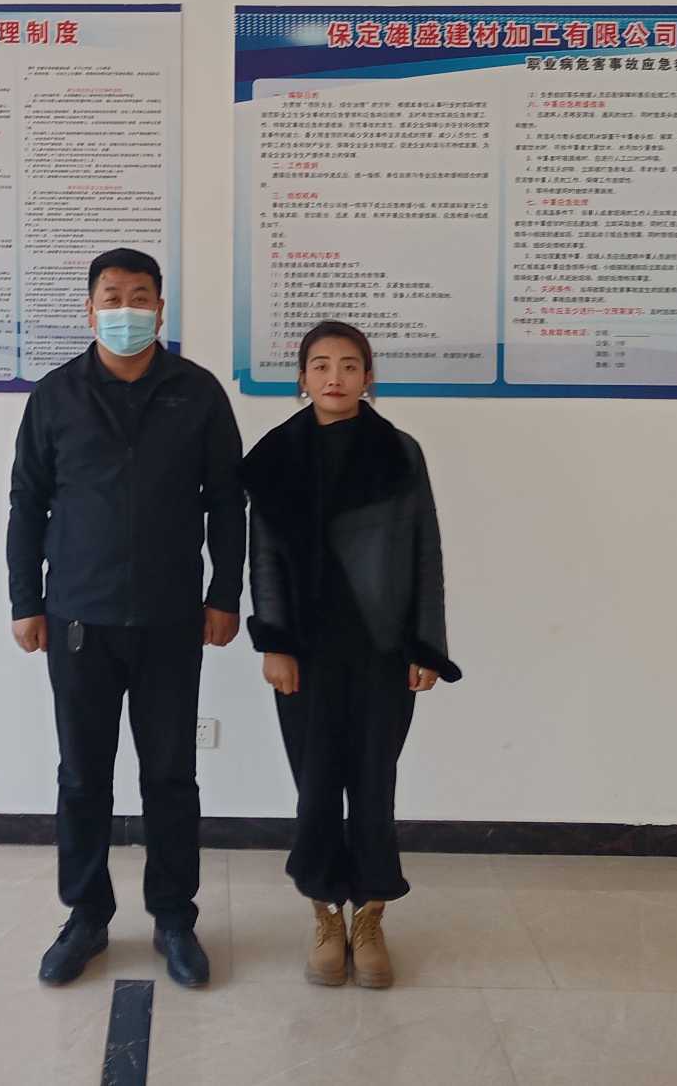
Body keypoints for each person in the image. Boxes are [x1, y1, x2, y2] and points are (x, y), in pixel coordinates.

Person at [6, 248, 245, 989]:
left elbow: (226, 502)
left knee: (170, 775)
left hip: (172, 617)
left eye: (140, 296)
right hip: (78, 617)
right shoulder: (55, 396)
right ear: (89, 310)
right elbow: (27, 504)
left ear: (161, 310)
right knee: (83, 776)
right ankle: (86, 916)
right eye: (112, 296)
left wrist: (225, 594)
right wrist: (25, 601)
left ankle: (174, 916)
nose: (126, 309)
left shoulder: (196, 393)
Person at [243, 320, 460, 989]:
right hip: (305, 654)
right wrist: (274, 643)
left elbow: (425, 552)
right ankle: (324, 915)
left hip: (382, 649)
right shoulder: (275, 454)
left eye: (348, 365)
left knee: (372, 784)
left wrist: (426, 644)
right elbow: (263, 560)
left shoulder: (399, 452)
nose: (334, 377)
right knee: (315, 786)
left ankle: (369, 916)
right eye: (320, 365)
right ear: (301, 378)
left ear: (369, 377)